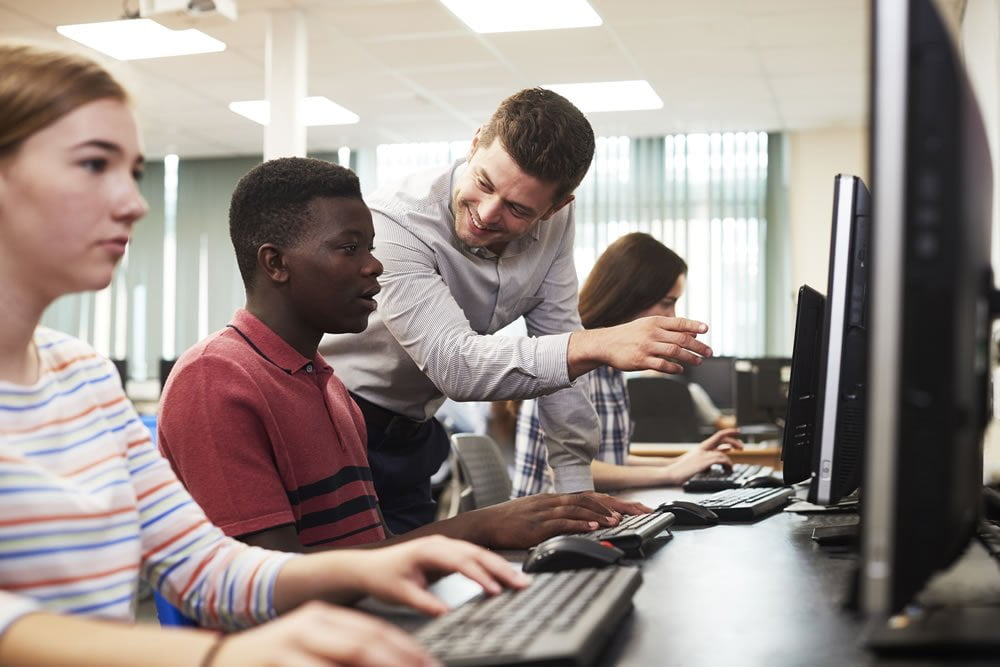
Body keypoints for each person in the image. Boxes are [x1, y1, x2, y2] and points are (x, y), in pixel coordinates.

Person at [0, 41, 527, 667]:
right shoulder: (214, 378)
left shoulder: (81, 376)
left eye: (134, 173)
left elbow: (202, 565)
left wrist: (400, 557)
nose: (134, 203)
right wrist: (217, 658)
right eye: (93, 165)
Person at [158, 157, 648, 554]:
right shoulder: (215, 378)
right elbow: (272, 584)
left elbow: (374, 552)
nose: (375, 265)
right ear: (275, 263)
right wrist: (477, 529)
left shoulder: (326, 385)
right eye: (349, 248)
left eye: (370, 246)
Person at [320, 88, 714, 533]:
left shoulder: (555, 223)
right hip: (334, 424)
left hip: (413, 430)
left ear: (556, 206)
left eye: (518, 208)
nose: (487, 214)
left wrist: (576, 495)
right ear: (473, 145)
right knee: (355, 581)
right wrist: (599, 343)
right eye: (484, 183)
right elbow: (457, 366)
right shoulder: (395, 221)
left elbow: (558, 342)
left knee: (414, 588)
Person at [511, 233, 744, 496]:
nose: (672, 316)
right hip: (548, 531)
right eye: (667, 303)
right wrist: (668, 473)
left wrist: (685, 462)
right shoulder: (572, 356)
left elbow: (611, 461)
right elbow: (564, 468)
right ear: (630, 296)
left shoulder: (611, 367)